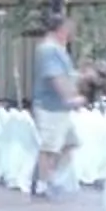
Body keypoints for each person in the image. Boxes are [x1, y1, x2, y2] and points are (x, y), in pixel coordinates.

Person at [29, 14, 80, 198]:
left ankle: (50, 177)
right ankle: (43, 183)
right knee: (49, 147)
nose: (72, 32)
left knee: (70, 143)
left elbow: (64, 75)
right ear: (61, 29)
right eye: (69, 28)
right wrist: (69, 97)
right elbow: (55, 76)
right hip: (51, 107)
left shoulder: (57, 49)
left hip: (59, 108)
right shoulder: (49, 50)